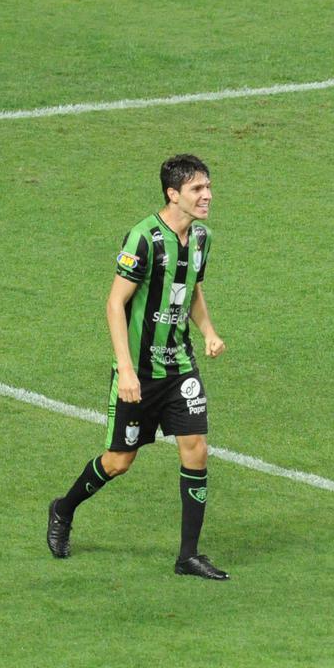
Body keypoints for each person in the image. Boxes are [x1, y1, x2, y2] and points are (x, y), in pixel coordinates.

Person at [46, 154, 229, 580]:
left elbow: (193, 290)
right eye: (197, 189)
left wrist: (208, 332)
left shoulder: (202, 238)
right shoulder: (144, 238)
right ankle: (64, 508)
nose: (207, 196)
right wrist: (126, 370)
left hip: (180, 367)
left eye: (207, 187)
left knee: (196, 449)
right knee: (119, 460)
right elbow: (115, 303)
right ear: (173, 194)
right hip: (140, 374)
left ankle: (188, 556)